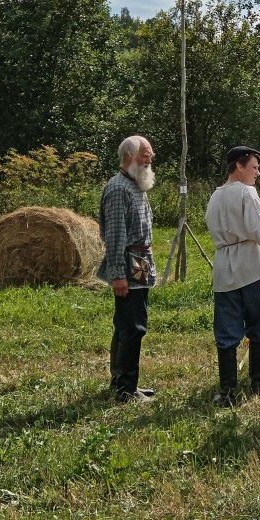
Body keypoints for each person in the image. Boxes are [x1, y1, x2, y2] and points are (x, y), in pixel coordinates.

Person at [206, 145, 260, 406]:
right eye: (254, 167)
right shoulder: (247, 192)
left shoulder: (215, 195)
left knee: (226, 329)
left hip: (225, 266)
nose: (257, 173)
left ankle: (227, 390)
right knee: (259, 324)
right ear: (239, 166)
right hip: (251, 265)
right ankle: (257, 381)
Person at [97, 137, 157, 403]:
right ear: (130, 155)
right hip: (128, 265)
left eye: (150, 155)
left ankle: (123, 382)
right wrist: (118, 274)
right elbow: (115, 236)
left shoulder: (135, 185)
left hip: (139, 263)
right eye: (145, 155)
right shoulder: (118, 188)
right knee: (132, 327)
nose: (149, 159)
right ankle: (125, 389)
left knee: (127, 325)